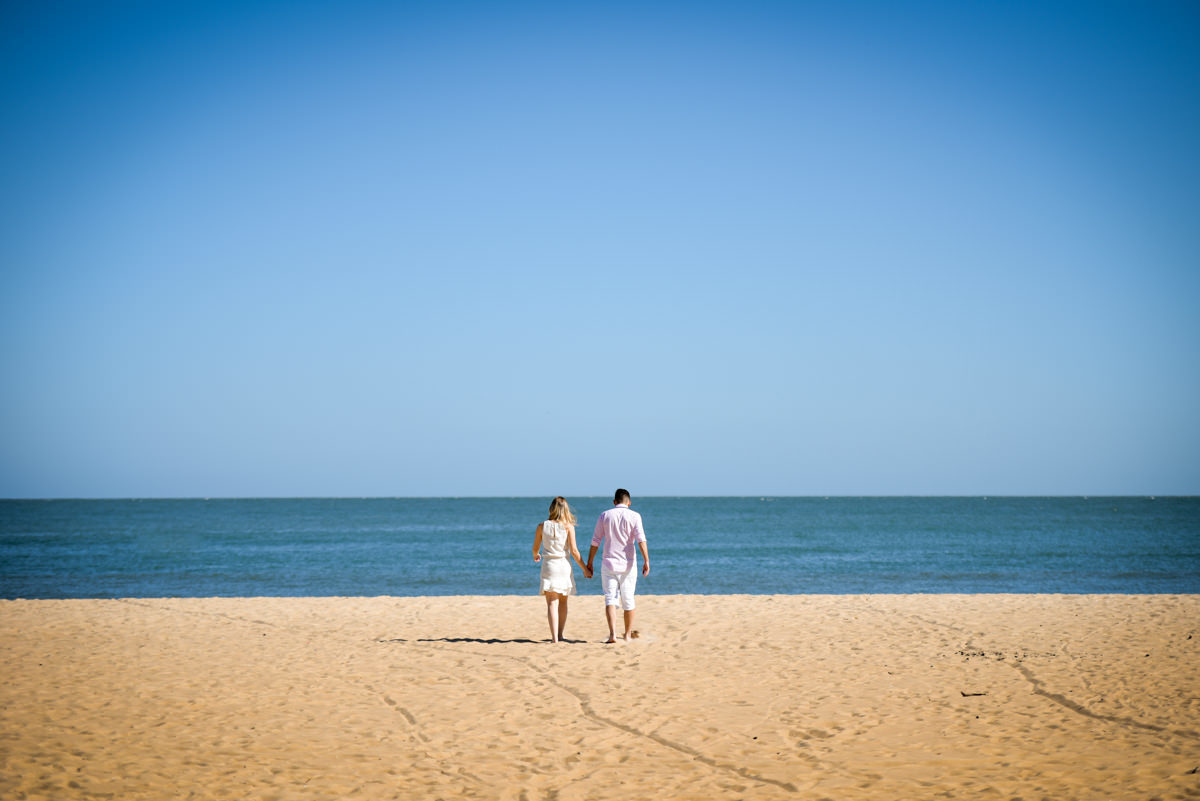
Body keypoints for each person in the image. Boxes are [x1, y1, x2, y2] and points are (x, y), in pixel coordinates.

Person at [585, 488, 649, 643]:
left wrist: (590, 562)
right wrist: (646, 560)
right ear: (629, 502)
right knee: (628, 600)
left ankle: (613, 635)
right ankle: (627, 635)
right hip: (628, 564)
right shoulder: (635, 516)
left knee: (610, 599)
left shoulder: (605, 515)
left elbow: (596, 541)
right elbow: (641, 539)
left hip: (608, 563)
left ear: (614, 502)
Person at [532, 496, 586, 644]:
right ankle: (560, 635)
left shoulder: (542, 526)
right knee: (563, 602)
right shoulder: (569, 527)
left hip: (549, 565)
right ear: (565, 510)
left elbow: (535, 548)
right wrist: (585, 569)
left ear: (551, 509)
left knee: (551, 603)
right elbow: (574, 551)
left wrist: (536, 555)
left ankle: (554, 638)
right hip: (563, 566)